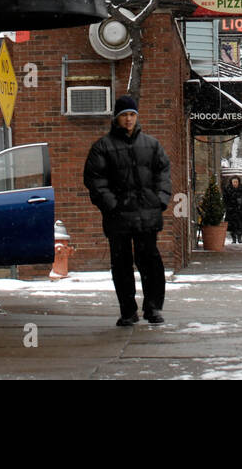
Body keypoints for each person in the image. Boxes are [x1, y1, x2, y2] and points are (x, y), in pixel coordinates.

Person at [83, 95, 172, 326]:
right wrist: (112, 205)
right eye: (124, 115)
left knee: (150, 262)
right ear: (117, 118)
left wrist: (160, 200)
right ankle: (128, 311)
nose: (129, 119)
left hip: (147, 215)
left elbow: (163, 173)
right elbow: (95, 181)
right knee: (121, 265)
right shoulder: (103, 147)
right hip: (118, 218)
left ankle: (152, 308)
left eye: (132, 115)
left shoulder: (151, 145)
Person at [222, 175, 242, 243]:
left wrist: (241, 201)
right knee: (232, 225)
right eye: (234, 182)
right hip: (231, 210)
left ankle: (239, 237)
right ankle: (233, 238)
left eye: (236, 182)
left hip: (239, 209)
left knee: (239, 224)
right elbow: (225, 199)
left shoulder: (241, 189)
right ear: (231, 182)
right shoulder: (228, 189)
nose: (235, 183)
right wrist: (228, 205)